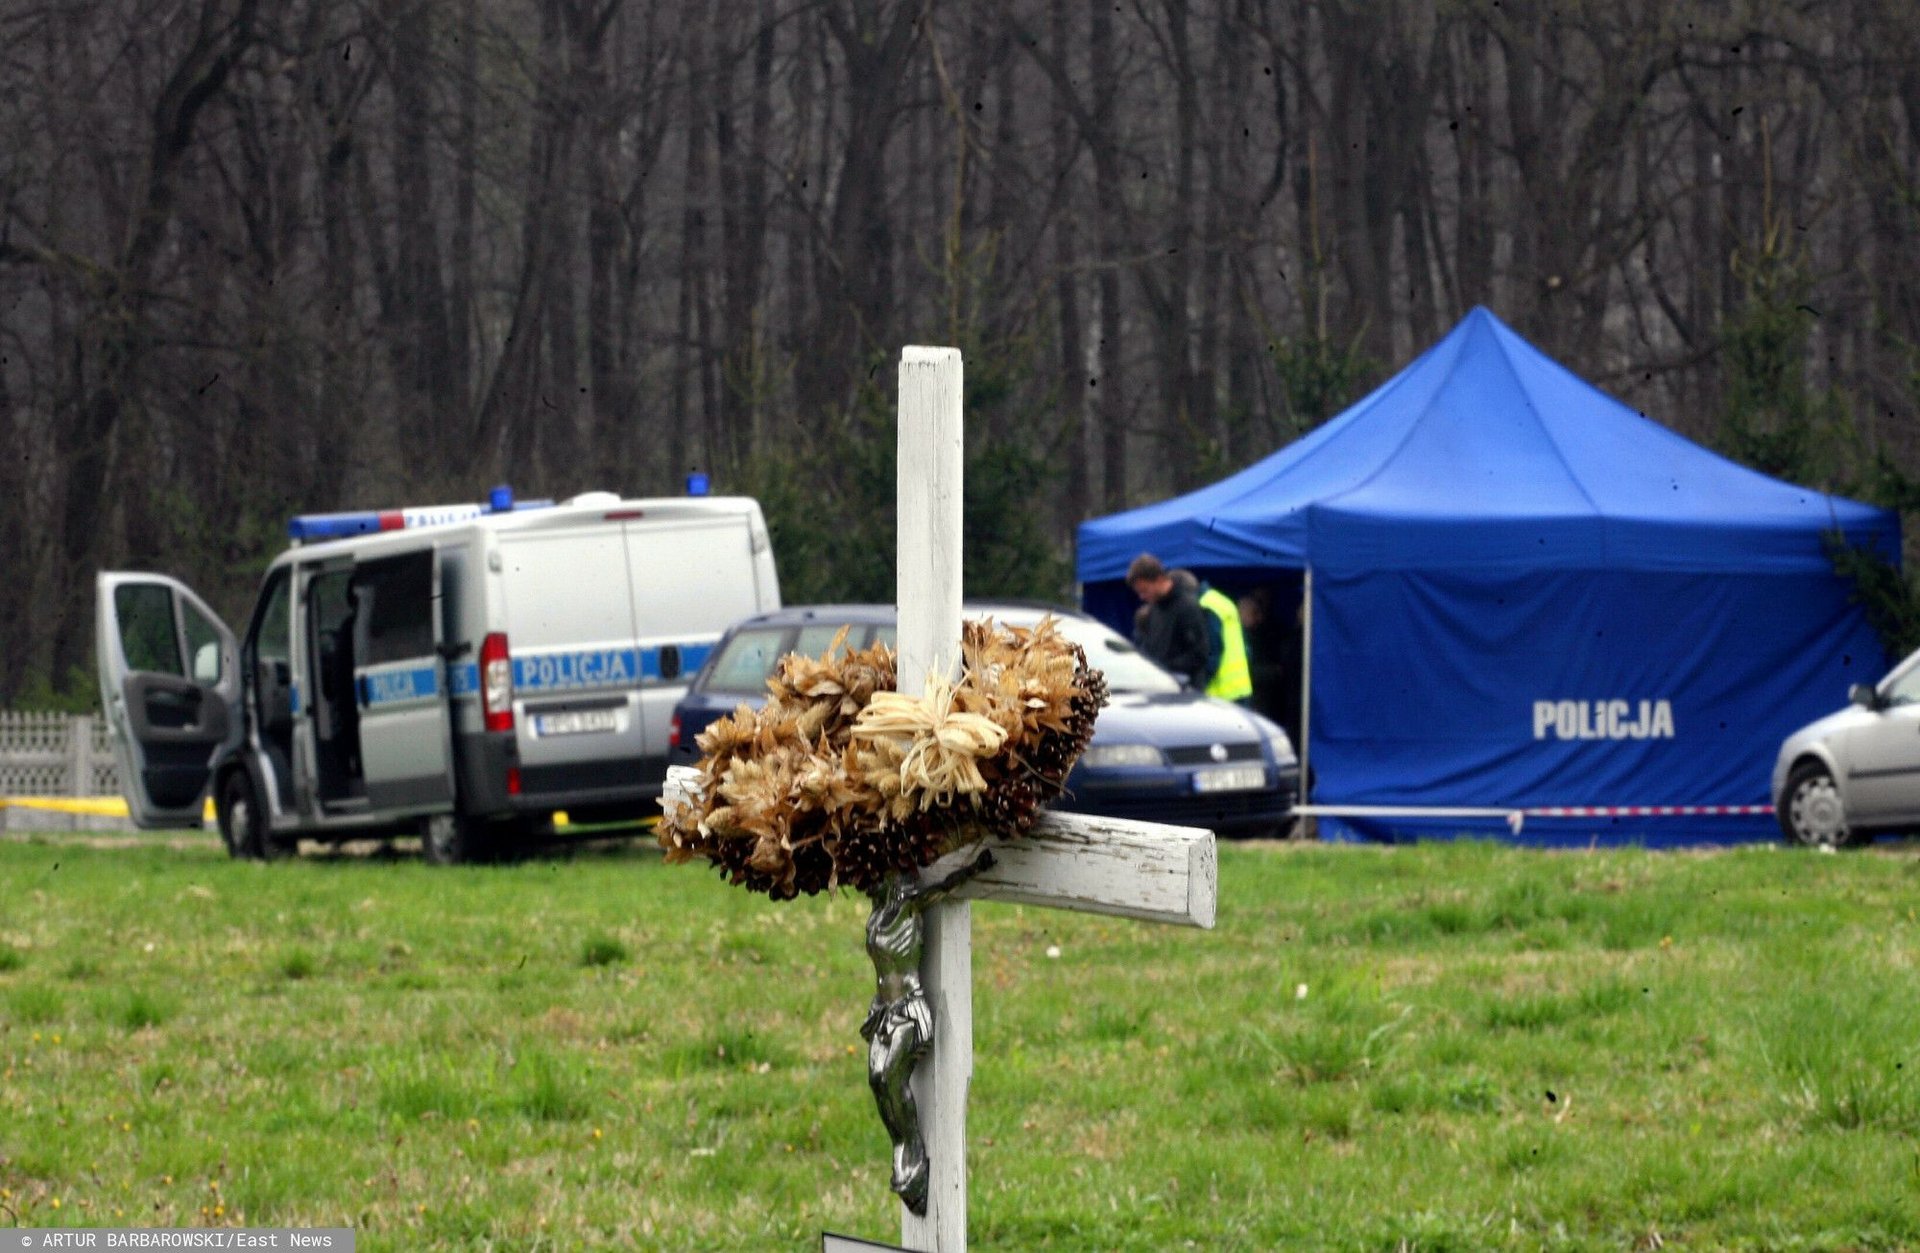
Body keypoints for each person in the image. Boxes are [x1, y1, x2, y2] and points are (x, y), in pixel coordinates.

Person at [862, 849, 996, 1216]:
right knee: (877, 1080)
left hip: (908, 1009)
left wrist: (976, 867)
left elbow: (944, 885)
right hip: (885, 1011)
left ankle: (910, 1162)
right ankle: (905, 1151)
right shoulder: (879, 912)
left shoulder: (908, 904)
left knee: (889, 1076)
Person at [1126, 553, 1214, 687]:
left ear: (1160, 580)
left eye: (1145, 590)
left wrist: (1164, 667)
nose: (1142, 597)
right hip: (1160, 686)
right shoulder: (1153, 609)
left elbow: (1200, 653)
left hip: (1184, 691)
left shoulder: (1187, 607)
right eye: (1139, 592)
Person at [1193, 577, 1253, 705]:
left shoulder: (1205, 605)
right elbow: (1246, 649)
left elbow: (1212, 652)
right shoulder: (1222, 601)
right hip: (1239, 687)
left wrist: (1198, 685)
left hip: (1218, 693)